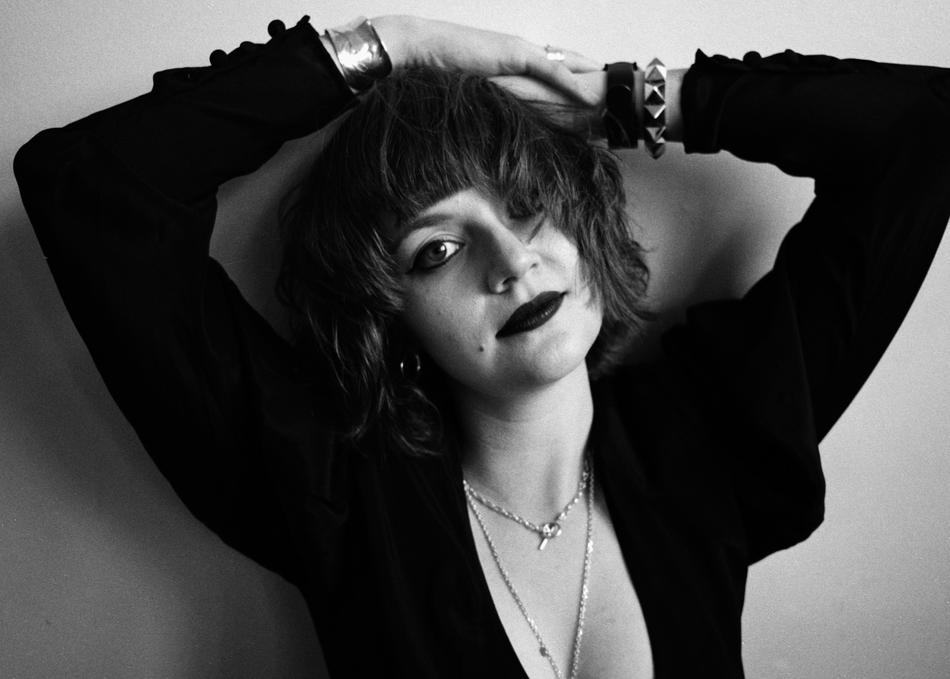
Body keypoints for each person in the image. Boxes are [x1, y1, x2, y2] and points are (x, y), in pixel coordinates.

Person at [13, 12, 950, 679]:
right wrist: (386, 46)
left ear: (584, 222)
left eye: (528, 202)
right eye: (438, 249)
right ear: (389, 315)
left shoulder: (713, 436)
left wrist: (633, 100)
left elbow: (925, 129)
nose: (511, 261)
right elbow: (92, 186)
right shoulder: (335, 491)